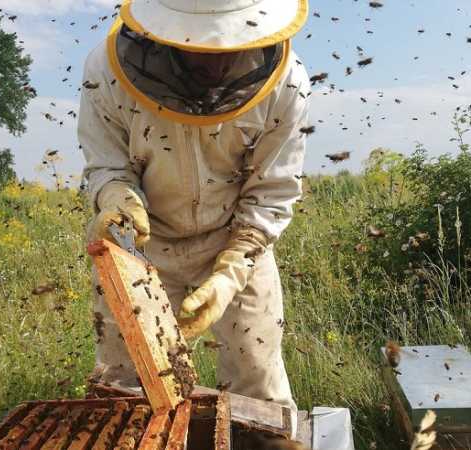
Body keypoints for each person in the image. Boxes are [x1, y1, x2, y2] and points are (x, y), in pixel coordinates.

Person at [78, 0, 310, 439]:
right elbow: (106, 162)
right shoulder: (107, 69)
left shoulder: (287, 82)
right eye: (196, 44)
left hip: (235, 241)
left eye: (226, 41)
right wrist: (118, 199)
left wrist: (232, 269)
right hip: (140, 250)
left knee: (258, 384)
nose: (212, 58)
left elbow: (271, 190)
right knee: (125, 388)